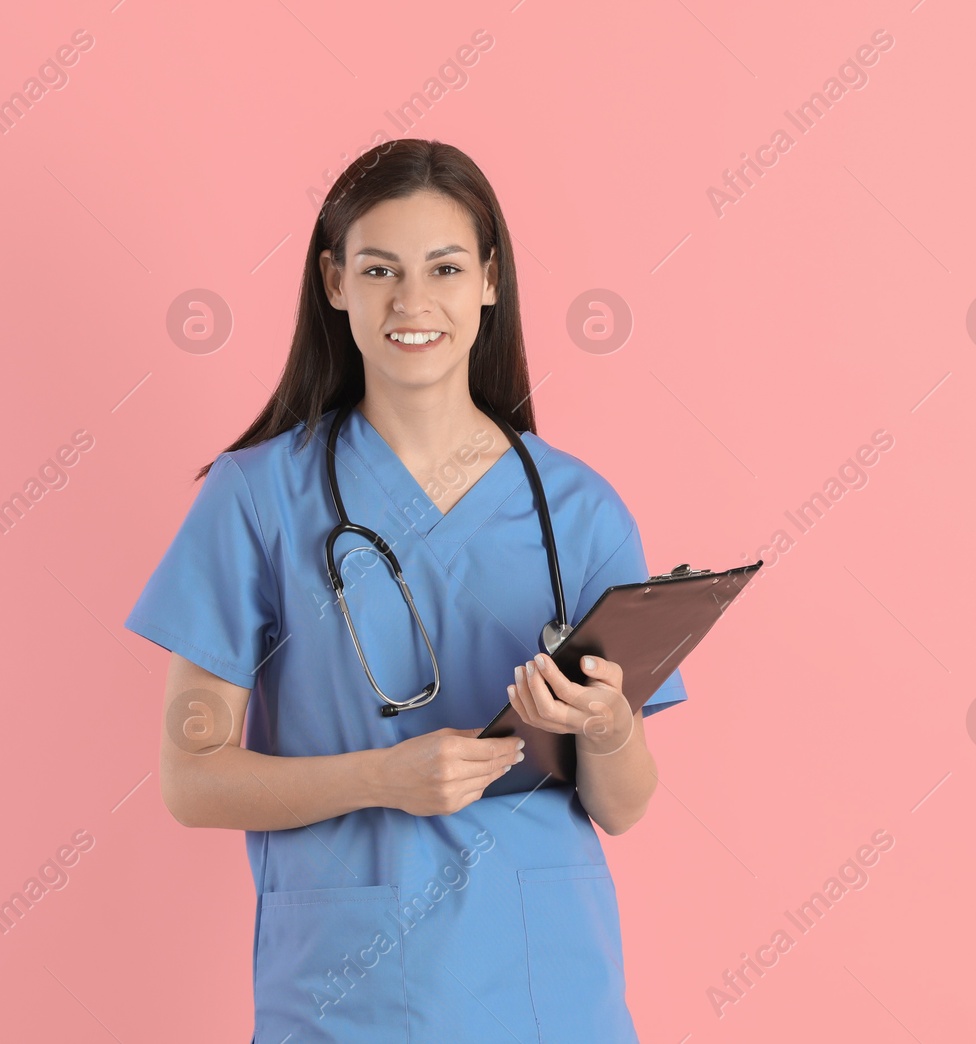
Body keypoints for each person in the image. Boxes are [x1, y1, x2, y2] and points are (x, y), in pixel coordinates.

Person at [123, 138, 687, 1042]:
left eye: (445, 268)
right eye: (379, 268)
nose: (413, 302)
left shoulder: (578, 510)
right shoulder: (258, 498)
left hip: (549, 992)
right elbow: (192, 779)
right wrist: (385, 778)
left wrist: (610, 728)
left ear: (489, 282)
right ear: (334, 281)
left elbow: (621, 806)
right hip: (349, 997)